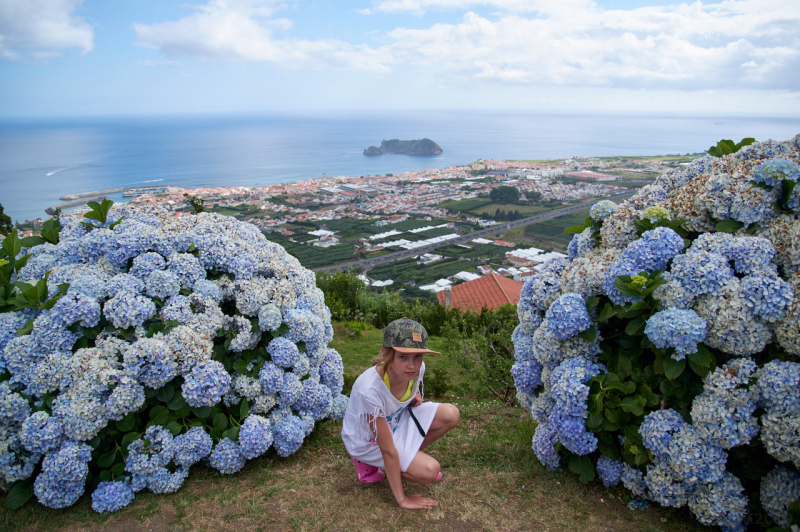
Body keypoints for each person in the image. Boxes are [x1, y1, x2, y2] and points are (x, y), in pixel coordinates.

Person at [341, 318, 460, 510]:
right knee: (429, 470)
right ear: (386, 354)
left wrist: (410, 399)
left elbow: (403, 395)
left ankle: (409, 459)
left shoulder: (418, 369)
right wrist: (403, 500)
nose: (412, 366)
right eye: (403, 357)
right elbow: (387, 449)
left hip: (394, 421)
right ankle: (365, 461)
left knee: (451, 414)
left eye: (418, 356)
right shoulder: (370, 390)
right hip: (368, 440)